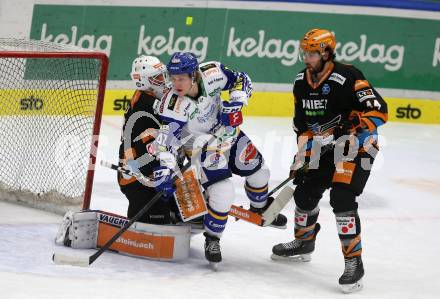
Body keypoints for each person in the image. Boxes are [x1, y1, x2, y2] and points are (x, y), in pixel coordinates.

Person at [271, 29, 388, 293]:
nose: (307, 57)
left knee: (342, 198)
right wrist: (301, 159)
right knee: (304, 193)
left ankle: (353, 262)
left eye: (312, 52)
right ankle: (304, 242)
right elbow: (303, 128)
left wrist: (356, 122)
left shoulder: (349, 75)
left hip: (359, 146)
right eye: (305, 52)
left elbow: (380, 111)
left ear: (326, 52)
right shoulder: (301, 82)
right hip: (326, 147)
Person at [151, 52, 287, 265]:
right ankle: (213, 238)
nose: (176, 83)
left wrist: (236, 104)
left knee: (261, 174)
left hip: (228, 134)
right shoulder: (172, 104)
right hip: (201, 147)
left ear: (194, 75)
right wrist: (165, 170)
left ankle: (259, 206)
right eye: (173, 78)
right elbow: (166, 141)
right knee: (224, 192)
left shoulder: (212, 73)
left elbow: (242, 79)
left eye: (181, 78)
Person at [117, 55, 178, 224]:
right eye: (158, 77)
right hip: (136, 177)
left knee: (170, 213)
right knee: (153, 221)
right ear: (145, 82)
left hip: (147, 168)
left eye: (163, 75)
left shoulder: (146, 97)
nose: (164, 80)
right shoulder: (147, 102)